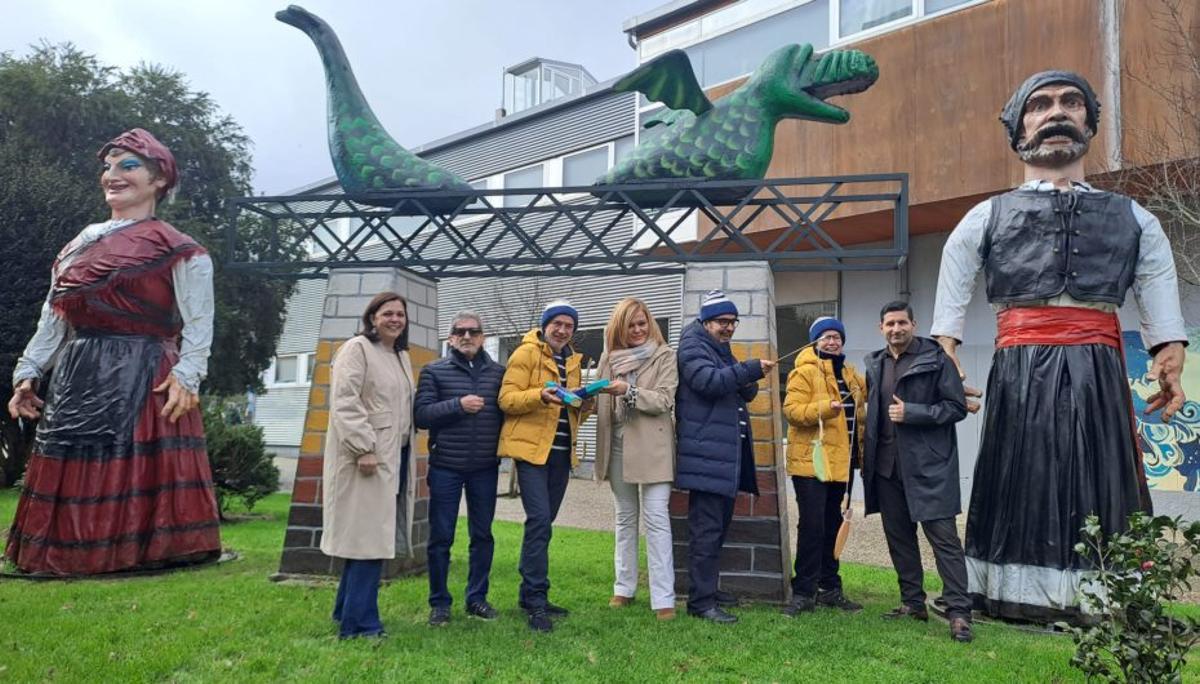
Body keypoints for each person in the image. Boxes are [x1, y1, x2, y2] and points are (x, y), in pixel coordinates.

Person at [931, 70, 1188, 624]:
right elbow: (955, 275)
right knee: (1022, 471)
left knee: (1105, 473)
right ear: (1019, 125)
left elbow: (1157, 276)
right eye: (1040, 103)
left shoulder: (1133, 217)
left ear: (1089, 120)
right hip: (1020, 369)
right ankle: (1010, 591)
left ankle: (1108, 594)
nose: (1056, 112)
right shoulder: (987, 215)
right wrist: (945, 344)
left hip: (1099, 367)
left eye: (1071, 102)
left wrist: (1169, 345)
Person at [6, 128, 221, 576]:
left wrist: (188, 374)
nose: (112, 175)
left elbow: (199, 321)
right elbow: (55, 316)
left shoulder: (179, 248)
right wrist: (29, 372)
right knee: (70, 453)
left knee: (128, 461)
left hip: (143, 371)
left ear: (159, 178)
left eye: (128, 166)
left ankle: (135, 550)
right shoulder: (79, 243)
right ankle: (62, 552)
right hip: (78, 370)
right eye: (108, 166)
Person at [863, 301, 973, 643]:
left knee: (944, 542)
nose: (896, 329)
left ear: (914, 324)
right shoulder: (874, 363)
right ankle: (913, 603)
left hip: (929, 467)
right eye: (889, 323)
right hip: (886, 467)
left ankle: (959, 613)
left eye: (902, 322)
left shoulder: (937, 358)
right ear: (881, 327)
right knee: (900, 539)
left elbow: (956, 408)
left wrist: (913, 412)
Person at [675, 290, 776, 624]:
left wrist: (749, 375)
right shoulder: (693, 345)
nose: (729, 328)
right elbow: (707, 382)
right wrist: (747, 369)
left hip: (720, 457)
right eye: (722, 322)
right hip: (707, 456)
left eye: (733, 322)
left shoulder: (718, 348)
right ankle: (700, 603)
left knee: (717, 531)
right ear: (706, 322)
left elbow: (741, 388)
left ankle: (709, 590)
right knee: (706, 532)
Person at [322, 292, 417, 639]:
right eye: (387, 313)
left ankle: (344, 609)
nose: (395, 319)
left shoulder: (399, 355)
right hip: (366, 459)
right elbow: (345, 402)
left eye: (400, 314)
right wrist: (363, 448)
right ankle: (360, 625)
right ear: (372, 317)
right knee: (367, 540)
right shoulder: (357, 349)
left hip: (396, 455)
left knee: (367, 536)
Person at [498, 299, 587, 633]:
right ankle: (536, 600)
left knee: (544, 522)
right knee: (539, 521)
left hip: (562, 454)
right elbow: (506, 400)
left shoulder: (574, 361)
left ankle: (529, 594)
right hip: (533, 454)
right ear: (545, 325)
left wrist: (585, 400)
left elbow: (572, 411)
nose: (563, 330)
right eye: (557, 324)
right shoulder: (526, 354)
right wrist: (540, 395)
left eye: (569, 326)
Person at [414, 311, 505, 627]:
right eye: (460, 332)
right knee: (441, 537)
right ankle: (439, 603)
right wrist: (458, 405)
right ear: (450, 337)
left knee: (482, 536)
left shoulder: (499, 374)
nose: (467, 337)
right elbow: (421, 415)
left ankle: (476, 598)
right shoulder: (433, 371)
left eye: (473, 332)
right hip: (445, 468)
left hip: (485, 467)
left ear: (482, 337)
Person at [594, 298, 679, 621]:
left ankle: (664, 598)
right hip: (617, 444)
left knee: (657, 518)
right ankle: (623, 588)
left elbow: (664, 399)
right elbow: (601, 395)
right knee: (625, 517)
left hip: (654, 447)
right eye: (631, 325)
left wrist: (627, 392)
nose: (638, 330)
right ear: (620, 328)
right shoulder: (608, 357)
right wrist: (582, 397)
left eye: (642, 323)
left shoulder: (664, 354)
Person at [781, 316, 865, 616]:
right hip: (811, 465)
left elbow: (863, 410)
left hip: (842, 463)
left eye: (837, 337)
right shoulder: (802, 373)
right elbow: (791, 411)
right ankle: (803, 591)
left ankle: (830, 588)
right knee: (813, 527)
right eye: (826, 337)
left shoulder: (852, 374)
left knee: (833, 525)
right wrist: (823, 409)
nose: (832, 342)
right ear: (814, 341)